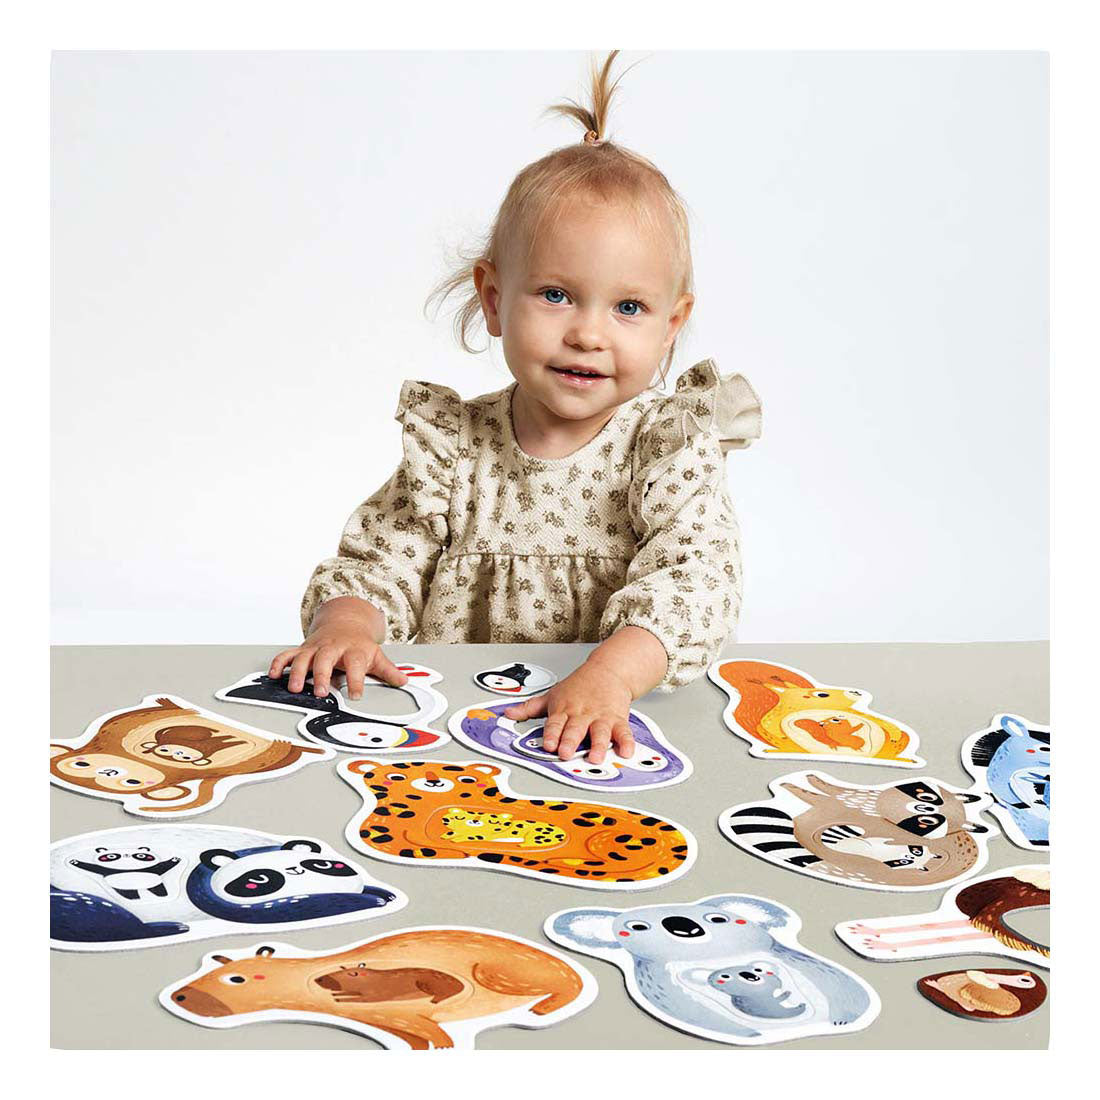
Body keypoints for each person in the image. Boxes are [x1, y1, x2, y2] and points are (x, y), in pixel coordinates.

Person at [270, 51, 761, 765]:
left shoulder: (666, 447)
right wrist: (347, 623)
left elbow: (695, 581)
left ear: (670, 327)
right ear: (495, 300)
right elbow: (385, 558)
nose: (588, 333)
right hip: (464, 730)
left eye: (628, 307)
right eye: (556, 295)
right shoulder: (456, 447)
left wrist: (610, 677)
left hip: (613, 728)